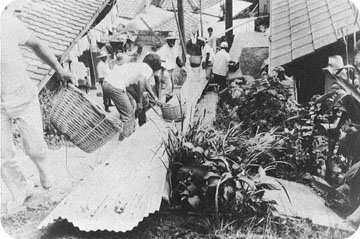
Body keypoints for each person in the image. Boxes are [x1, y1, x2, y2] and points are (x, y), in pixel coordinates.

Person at [1, 6, 75, 209]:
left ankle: (44, 170)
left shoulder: (7, 22)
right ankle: (21, 191)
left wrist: (59, 69)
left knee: (33, 146)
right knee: (2, 154)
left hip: (21, 93)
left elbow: (36, 45)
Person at [103, 53, 162, 134]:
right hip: (115, 85)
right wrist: (139, 102)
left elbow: (142, 83)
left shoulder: (139, 66)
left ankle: (140, 122)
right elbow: (141, 82)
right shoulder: (148, 69)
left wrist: (153, 98)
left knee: (143, 102)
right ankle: (126, 139)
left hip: (107, 83)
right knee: (128, 116)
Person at [96, 47, 113, 112]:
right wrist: (103, 81)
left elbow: (108, 71)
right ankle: (106, 106)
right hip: (104, 80)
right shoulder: (99, 65)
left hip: (109, 78)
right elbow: (100, 75)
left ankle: (109, 102)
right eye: (104, 57)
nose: (105, 58)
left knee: (110, 92)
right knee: (105, 93)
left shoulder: (106, 63)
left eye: (105, 56)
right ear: (101, 58)